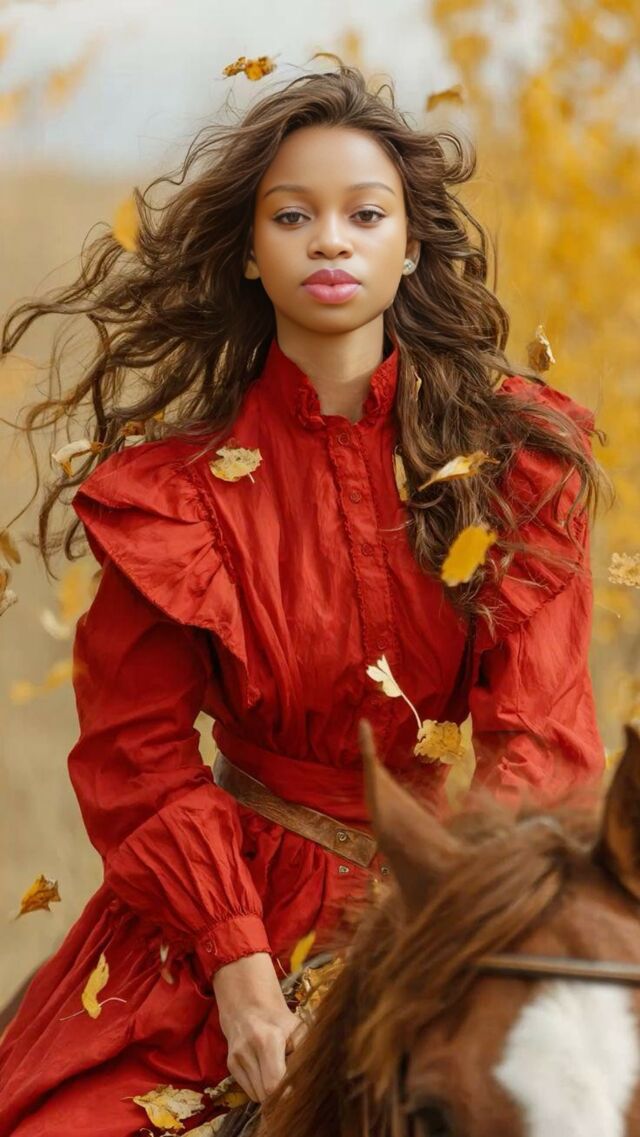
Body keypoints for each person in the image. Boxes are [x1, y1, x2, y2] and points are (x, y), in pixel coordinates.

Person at [0, 63, 607, 1136]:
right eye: (293, 216)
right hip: (214, 920)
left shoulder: (513, 467)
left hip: (448, 900)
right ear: (249, 250)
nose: (330, 240)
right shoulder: (174, 498)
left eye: (365, 215)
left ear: (410, 245)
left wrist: (454, 912)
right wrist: (238, 966)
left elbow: (542, 737)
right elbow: (138, 759)